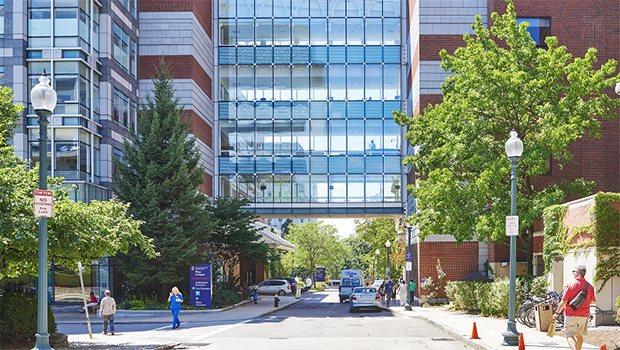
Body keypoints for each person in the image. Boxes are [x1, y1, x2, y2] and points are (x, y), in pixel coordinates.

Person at [552, 265, 596, 350]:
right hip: (584, 315)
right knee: (579, 335)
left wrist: (557, 313)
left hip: (571, 314)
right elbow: (593, 302)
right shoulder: (589, 286)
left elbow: (564, 301)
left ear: (577, 273)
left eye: (573, 271)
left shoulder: (570, 285)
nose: (572, 273)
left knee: (570, 335)